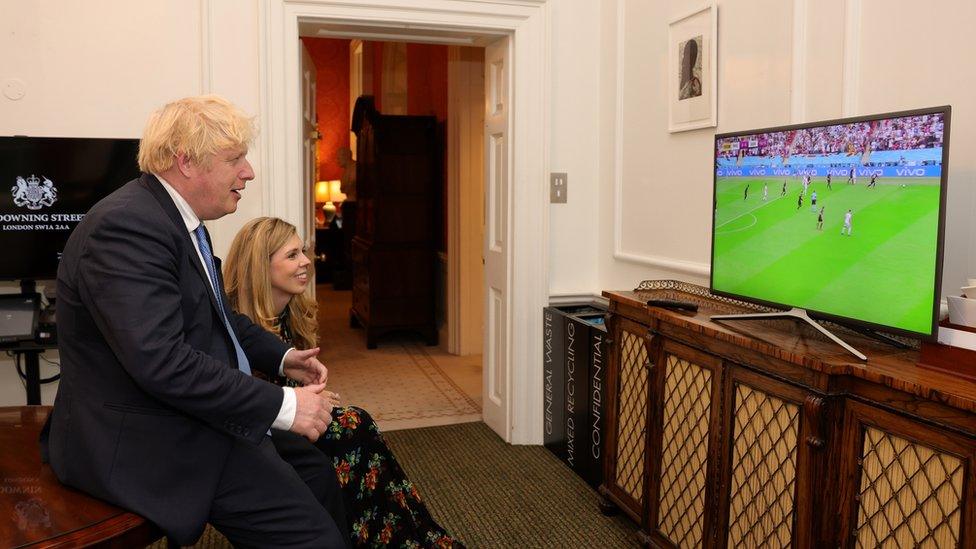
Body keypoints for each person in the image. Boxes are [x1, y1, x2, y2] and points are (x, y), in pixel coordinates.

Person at [41, 95, 351, 548]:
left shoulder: (177, 220)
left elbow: (218, 318)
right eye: (234, 159)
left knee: (317, 475)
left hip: (195, 414)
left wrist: (283, 357)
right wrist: (285, 405)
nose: (248, 172)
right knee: (314, 539)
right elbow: (162, 362)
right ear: (185, 162)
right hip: (152, 436)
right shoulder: (127, 228)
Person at [224, 217, 464, 549]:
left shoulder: (291, 314)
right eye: (292, 255)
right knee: (354, 426)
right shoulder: (235, 326)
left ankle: (410, 535)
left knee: (356, 427)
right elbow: (246, 401)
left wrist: (312, 399)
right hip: (258, 435)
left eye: (303, 251)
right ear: (259, 267)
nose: (307, 261)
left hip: (292, 426)